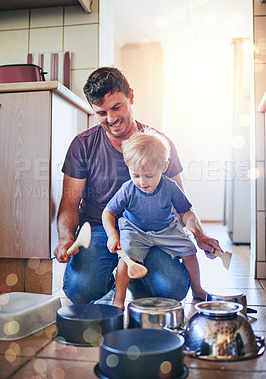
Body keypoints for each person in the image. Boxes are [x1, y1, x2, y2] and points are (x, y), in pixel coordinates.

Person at [53, 66, 221, 304]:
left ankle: (136, 278)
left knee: (172, 290)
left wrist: (199, 235)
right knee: (80, 290)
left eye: (116, 107)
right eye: (101, 113)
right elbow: (69, 202)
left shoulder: (160, 144)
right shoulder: (83, 146)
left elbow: (181, 204)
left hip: (151, 229)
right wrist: (64, 237)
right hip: (100, 228)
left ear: (130, 97)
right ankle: (113, 278)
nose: (111, 119)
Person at [102, 131, 209, 309]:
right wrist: (112, 235)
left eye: (149, 176)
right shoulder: (127, 189)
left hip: (167, 229)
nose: (142, 182)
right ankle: (119, 299)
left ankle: (197, 289)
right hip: (135, 230)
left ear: (164, 167)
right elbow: (108, 213)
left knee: (190, 251)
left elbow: (185, 211)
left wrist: (191, 225)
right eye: (135, 175)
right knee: (126, 256)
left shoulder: (170, 187)